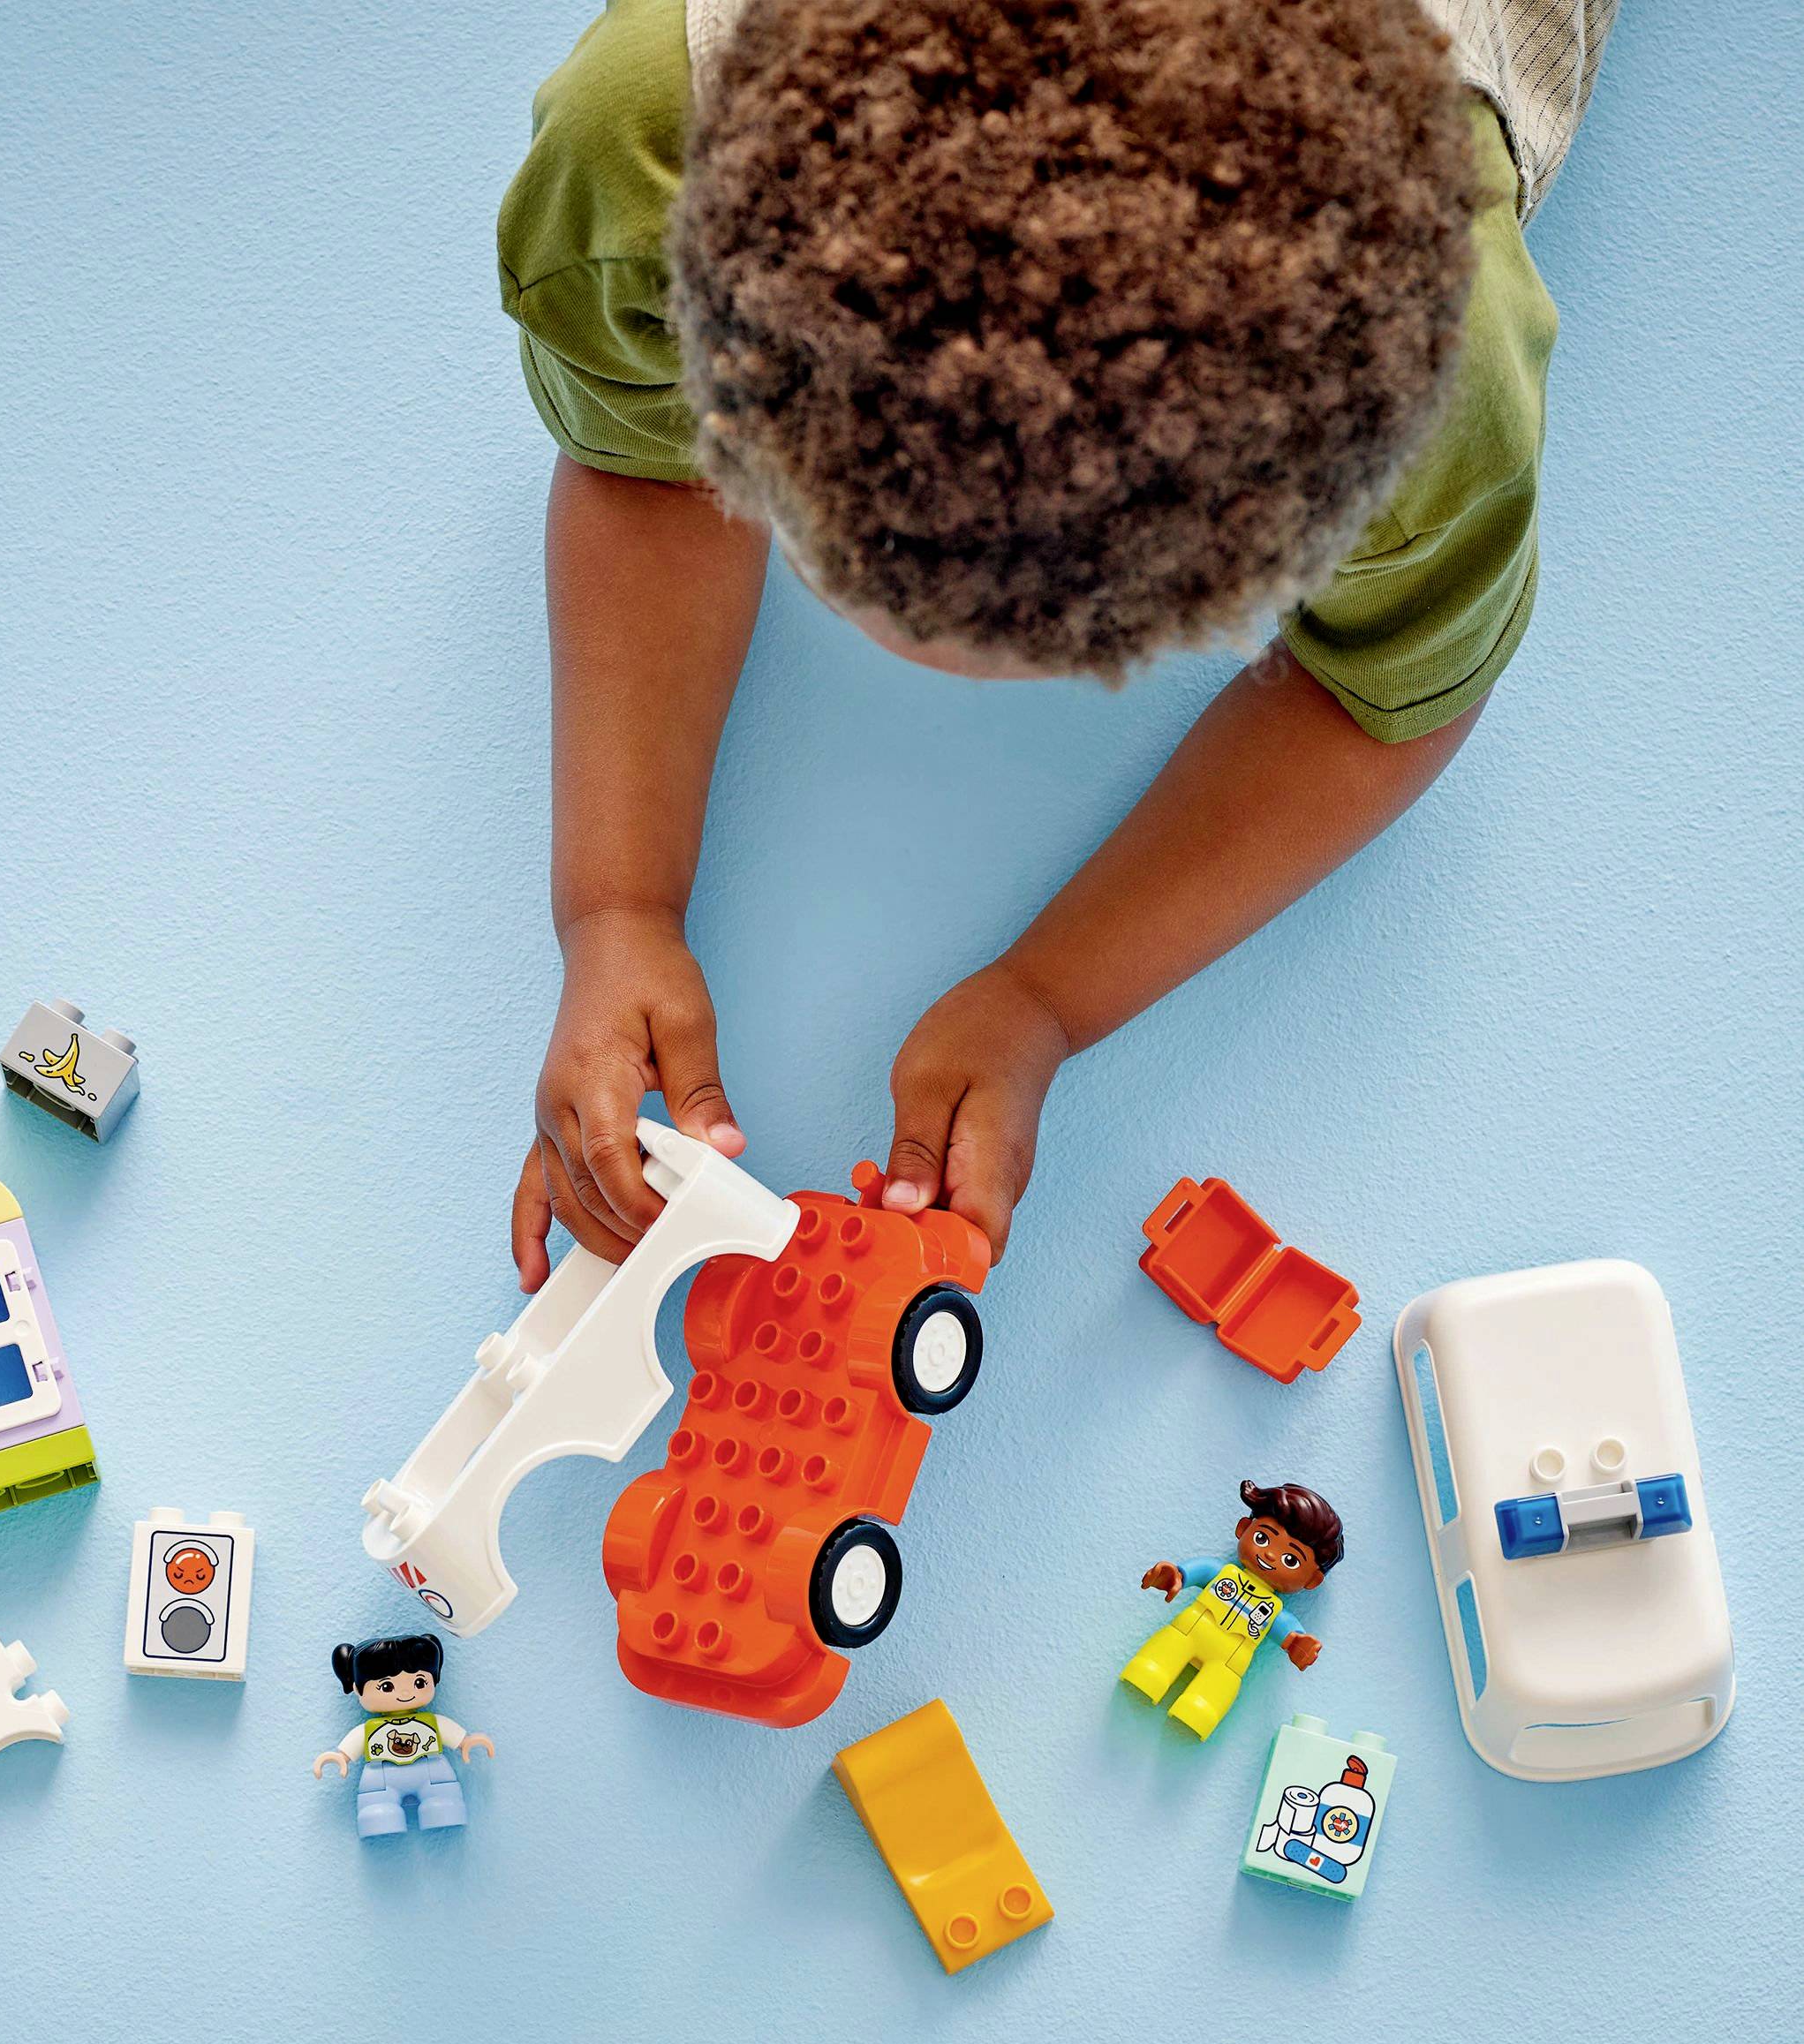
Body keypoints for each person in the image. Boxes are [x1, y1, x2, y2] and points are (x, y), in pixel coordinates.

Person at [496, 0, 1612, 1279]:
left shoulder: (1434, 382)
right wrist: (616, 902)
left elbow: (1382, 704)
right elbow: (642, 468)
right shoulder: (641, 151)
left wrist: (1049, 998)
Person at [1120, 1478, 1346, 1739]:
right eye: (1263, 1537)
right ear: (1244, 1528)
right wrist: (1177, 1576)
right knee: (1160, 1657)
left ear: (1312, 1580)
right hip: (1186, 1633)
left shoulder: (1275, 1610)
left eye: (1291, 1559)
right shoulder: (1220, 1572)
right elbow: (1198, 1570)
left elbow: (1287, 1630)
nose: (1271, 1555)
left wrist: (1296, 1642)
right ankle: (1149, 1671)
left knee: (1214, 1691)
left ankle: (1200, 1711)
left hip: (1228, 1662)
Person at [313, 1631, 498, 1837]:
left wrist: (466, 1742)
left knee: (443, 1802)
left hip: (432, 1771)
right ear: (357, 1688)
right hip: (381, 1777)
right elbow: (355, 1742)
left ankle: (444, 1807)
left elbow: (448, 1731)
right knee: (377, 1811)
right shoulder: (369, 1730)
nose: (404, 1693)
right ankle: (378, 1814)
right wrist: (341, 1756)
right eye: (386, 1686)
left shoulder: (431, 1722)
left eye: (419, 1683)